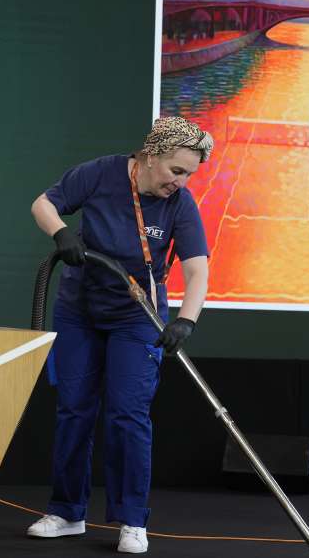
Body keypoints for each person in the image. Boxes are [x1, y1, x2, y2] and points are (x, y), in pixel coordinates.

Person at [25, 116, 213, 554]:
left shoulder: (180, 205)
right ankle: (68, 512)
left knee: (128, 415)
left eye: (189, 174)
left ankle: (132, 520)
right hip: (79, 312)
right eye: (176, 171)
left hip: (137, 319)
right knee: (75, 410)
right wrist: (62, 233)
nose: (181, 182)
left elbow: (195, 268)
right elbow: (42, 204)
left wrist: (185, 320)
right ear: (149, 157)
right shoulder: (101, 173)